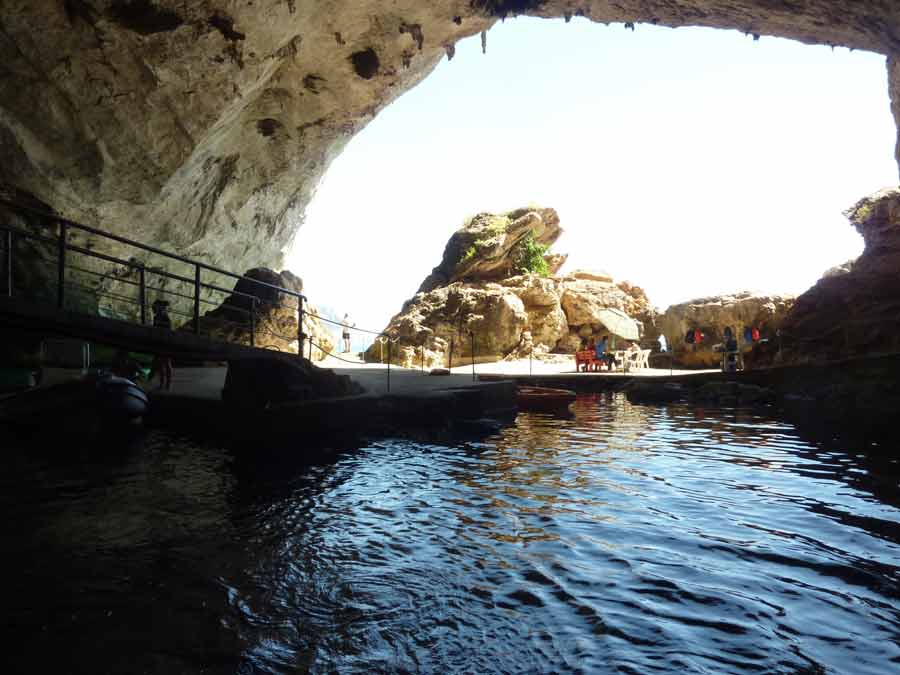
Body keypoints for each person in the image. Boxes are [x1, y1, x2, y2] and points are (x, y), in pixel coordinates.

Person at [150, 299, 173, 391]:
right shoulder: (156, 317)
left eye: (154, 307)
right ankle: (162, 383)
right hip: (159, 342)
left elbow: (168, 330)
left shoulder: (165, 317)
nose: (153, 309)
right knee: (160, 364)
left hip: (165, 342)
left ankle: (168, 384)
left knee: (166, 363)